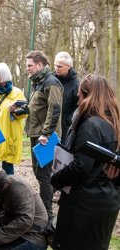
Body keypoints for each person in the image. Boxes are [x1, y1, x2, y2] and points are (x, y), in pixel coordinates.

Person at [50, 74, 120, 250]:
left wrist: (57, 178)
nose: (77, 97)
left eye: (80, 93)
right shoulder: (115, 124)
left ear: (86, 94)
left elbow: (81, 166)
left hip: (84, 204)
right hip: (107, 200)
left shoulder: (91, 125)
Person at [25, 50, 63, 218]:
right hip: (36, 135)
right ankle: (45, 211)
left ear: (39, 65)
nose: (27, 69)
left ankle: (46, 214)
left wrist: (46, 133)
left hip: (45, 138)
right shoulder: (38, 82)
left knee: (44, 175)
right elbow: (37, 107)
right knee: (40, 174)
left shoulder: (51, 82)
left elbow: (54, 109)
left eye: (30, 65)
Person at [0, 62, 28, 175]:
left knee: (8, 167)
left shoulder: (17, 93)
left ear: (5, 75)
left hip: (8, 134)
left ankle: (9, 190)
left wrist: (15, 111)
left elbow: (25, 113)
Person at [54, 51, 79, 144]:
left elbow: (79, 108)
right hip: (49, 128)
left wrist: (68, 121)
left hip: (66, 129)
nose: (56, 68)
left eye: (59, 66)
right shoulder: (50, 81)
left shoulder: (76, 85)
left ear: (69, 66)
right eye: (55, 65)